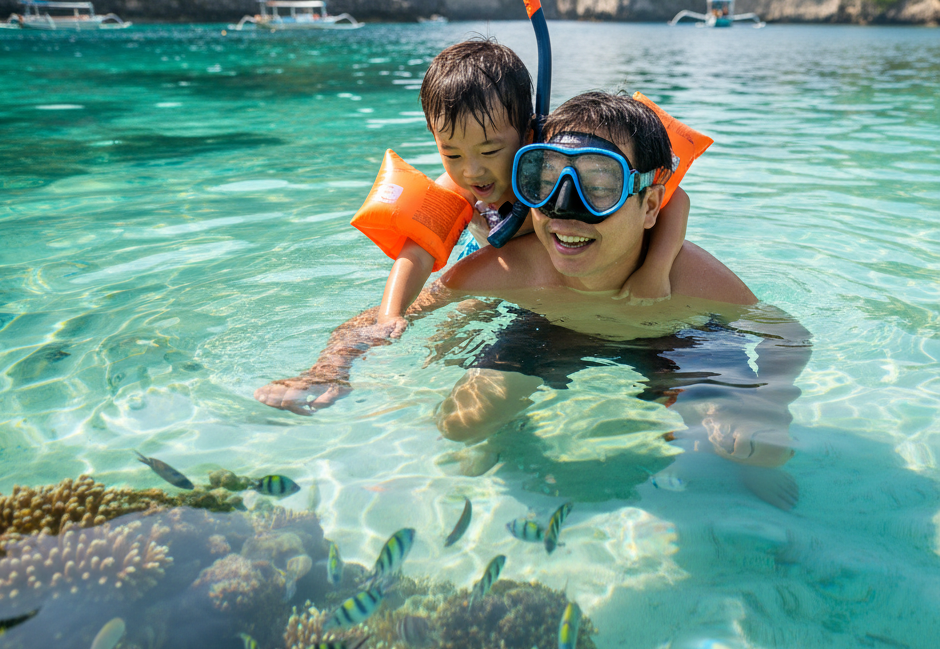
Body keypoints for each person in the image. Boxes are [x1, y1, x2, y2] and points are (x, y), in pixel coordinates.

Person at [256, 91, 809, 508]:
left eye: (598, 184)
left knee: (760, 445)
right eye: (544, 180)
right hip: (555, 330)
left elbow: (787, 334)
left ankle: (741, 457)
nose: (565, 209)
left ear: (649, 205)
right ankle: (519, 441)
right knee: (460, 422)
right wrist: (329, 367)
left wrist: (770, 399)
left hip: (677, 337)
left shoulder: (689, 279)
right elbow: (385, 318)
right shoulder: (517, 270)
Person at [370, 39, 691, 337]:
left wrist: (655, 270)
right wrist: (391, 312)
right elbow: (420, 250)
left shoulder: (551, 168)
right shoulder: (457, 187)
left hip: (554, 271)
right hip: (492, 265)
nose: (471, 170)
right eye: (451, 153)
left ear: (528, 135)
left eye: (490, 151)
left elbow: (674, 200)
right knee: (448, 341)